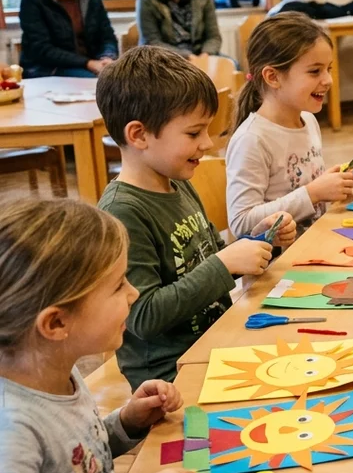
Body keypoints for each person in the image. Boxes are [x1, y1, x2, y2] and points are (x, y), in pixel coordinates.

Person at [0, 199, 204, 473]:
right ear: (57, 322)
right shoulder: (12, 427)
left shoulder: (53, 368)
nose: (134, 293)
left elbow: (72, 464)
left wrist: (125, 423)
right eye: (118, 286)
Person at [96, 47, 295, 389]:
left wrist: (256, 242)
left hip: (215, 342)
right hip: (171, 376)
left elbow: (209, 259)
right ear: (139, 135)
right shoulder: (122, 212)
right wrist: (225, 262)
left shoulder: (178, 183)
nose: (207, 144)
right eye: (193, 133)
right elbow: (142, 316)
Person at [225, 13, 353, 238]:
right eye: (314, 71)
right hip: (279, 264)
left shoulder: (308, 120)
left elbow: (301, 186)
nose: (328, 80)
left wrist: (338, 181)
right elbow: (241, 222)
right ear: (273, 77)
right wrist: (312, 193)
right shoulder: (252, 140)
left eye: (329, 69)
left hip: (316, 245)